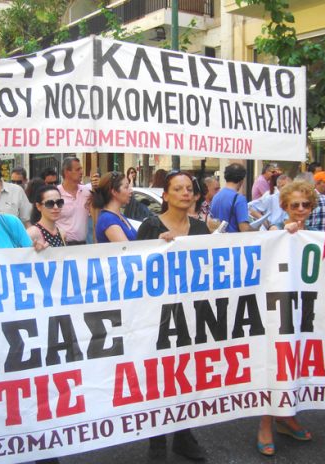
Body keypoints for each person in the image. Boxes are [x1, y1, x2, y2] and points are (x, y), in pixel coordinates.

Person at [136, 170, 208, 461]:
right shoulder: (150, 227)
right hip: (158, 316)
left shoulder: (201, 228)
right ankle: (156, 439)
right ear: (165, 195)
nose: (185, 193)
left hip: (192, 314)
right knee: (159, 375)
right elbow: (135, 271)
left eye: (189, 188)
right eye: (178, 189)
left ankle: (183, 435)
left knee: (187, 374)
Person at [257, 181, 317, 456]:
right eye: (295, 205)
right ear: (285, 207)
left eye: (306, 204)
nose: (301, 209)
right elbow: (269, 243)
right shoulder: (276, 231)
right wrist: (283, 230)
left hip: (303, 310)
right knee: (276, 363)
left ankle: (286, 417)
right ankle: (266, 424)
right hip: (278, 310)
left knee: (298, 362)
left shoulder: (313, 236)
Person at [56, 157, 98, 246]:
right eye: (78, 169)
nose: (82, 172)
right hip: (61, 245)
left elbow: (98, 212)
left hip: (82, 245)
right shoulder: (56, 194)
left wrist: (98, 187)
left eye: (81, 169)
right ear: (67, 172)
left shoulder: (87, 191)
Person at [92, 171, 136, 243]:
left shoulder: (119, 216)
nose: (130, 191)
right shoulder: (107, 219)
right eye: (126, 187)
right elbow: (126, 249)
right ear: (114, 192)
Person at [210, 163, 251, 232]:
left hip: (218, 240)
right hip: (234, 241)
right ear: (241, 180)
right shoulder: (240, 199)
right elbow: (244, 229)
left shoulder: (216, 197)